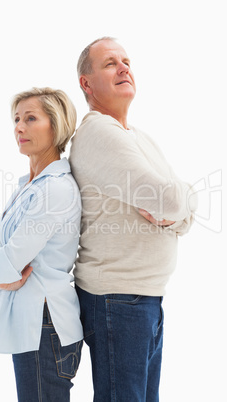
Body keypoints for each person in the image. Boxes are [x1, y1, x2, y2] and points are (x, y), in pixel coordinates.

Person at [69, 37, 198, 401]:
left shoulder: (139, 138)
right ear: (86, 83)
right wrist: (177, 205)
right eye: (110, 63)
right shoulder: (98, 132)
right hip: (117, 301)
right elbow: (173, 198)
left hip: (145, 300)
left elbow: (180, 207)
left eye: (126, 61)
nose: (124, 67)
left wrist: (176, 211)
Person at [0, 87, 83, 402]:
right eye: (16, 119)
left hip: (45, 324)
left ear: (55, 126)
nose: (19, 128)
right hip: (32, 324)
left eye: (30, 118)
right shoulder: (27, 186)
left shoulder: (55, 190)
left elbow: (11, 256)